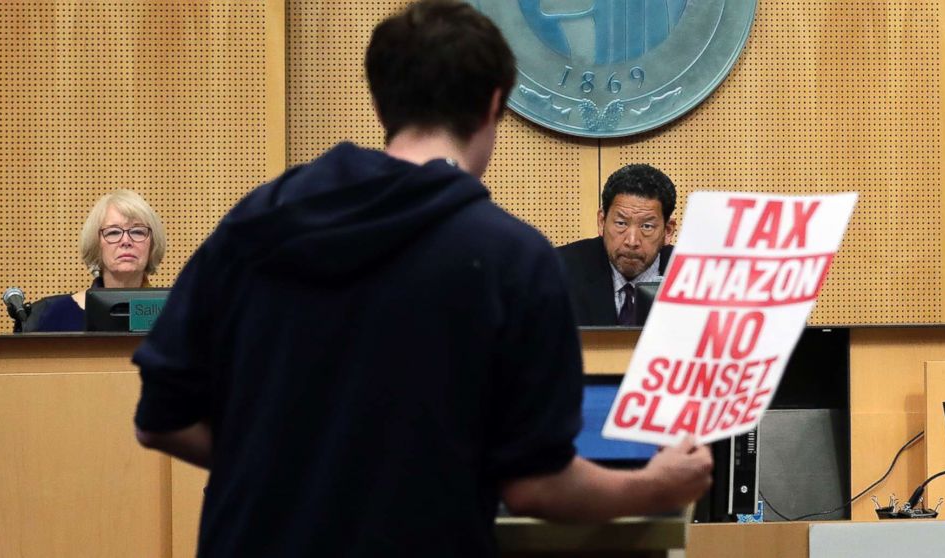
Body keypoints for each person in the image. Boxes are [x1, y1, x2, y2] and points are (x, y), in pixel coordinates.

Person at [132, 2, 711, 556]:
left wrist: (292, 473)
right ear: (492, 105)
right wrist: (658, 486)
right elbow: (537, 485)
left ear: (383, 102)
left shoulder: (257, 220)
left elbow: (162, 418)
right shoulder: (512, 258)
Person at [27, 189, 166, 332]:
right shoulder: (55, 315)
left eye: (137, 231)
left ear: (152, 244)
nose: (126, 241)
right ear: (96, 245)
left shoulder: (175, 314)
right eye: (113, 232)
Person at [558, 164, 678, 326]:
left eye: (647, 227)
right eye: (621, 223)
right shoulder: (561, 271)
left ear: (668, 230)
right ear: (602, 222)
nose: (632, 241)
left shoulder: (691, 277)